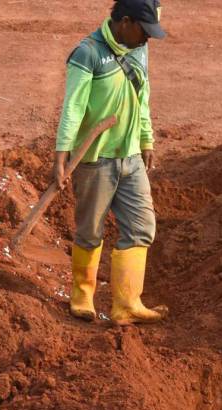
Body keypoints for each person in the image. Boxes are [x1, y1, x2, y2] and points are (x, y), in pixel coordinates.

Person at [55, 0, 166, 324]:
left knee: (142, 227)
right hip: (95, 160)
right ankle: (82, 295)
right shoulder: (87, 54)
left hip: (130, 157)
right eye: (144, 31)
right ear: (125, 22)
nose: (147, 38)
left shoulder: (139, 50)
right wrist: (61, 156)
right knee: (90, 230)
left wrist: (146, 138)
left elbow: (143, 97)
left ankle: (126, 305)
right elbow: (73, 108)